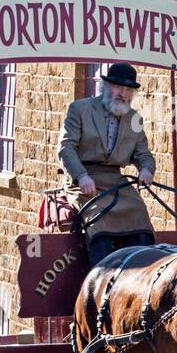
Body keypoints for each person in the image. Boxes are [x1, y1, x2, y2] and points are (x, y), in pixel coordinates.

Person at [57, 62, 157, 266]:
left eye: (128, 90)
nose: (123, 93)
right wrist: (81, 176)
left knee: (140, 216)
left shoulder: (134, 118)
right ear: (105, 86)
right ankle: (101, 276)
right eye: (119, 88)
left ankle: (139, 271)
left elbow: (143, 153)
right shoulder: (80, 109)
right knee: (98, 220)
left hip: (116, 181)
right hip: (84, 180)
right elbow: (66, 148)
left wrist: (146, 169)